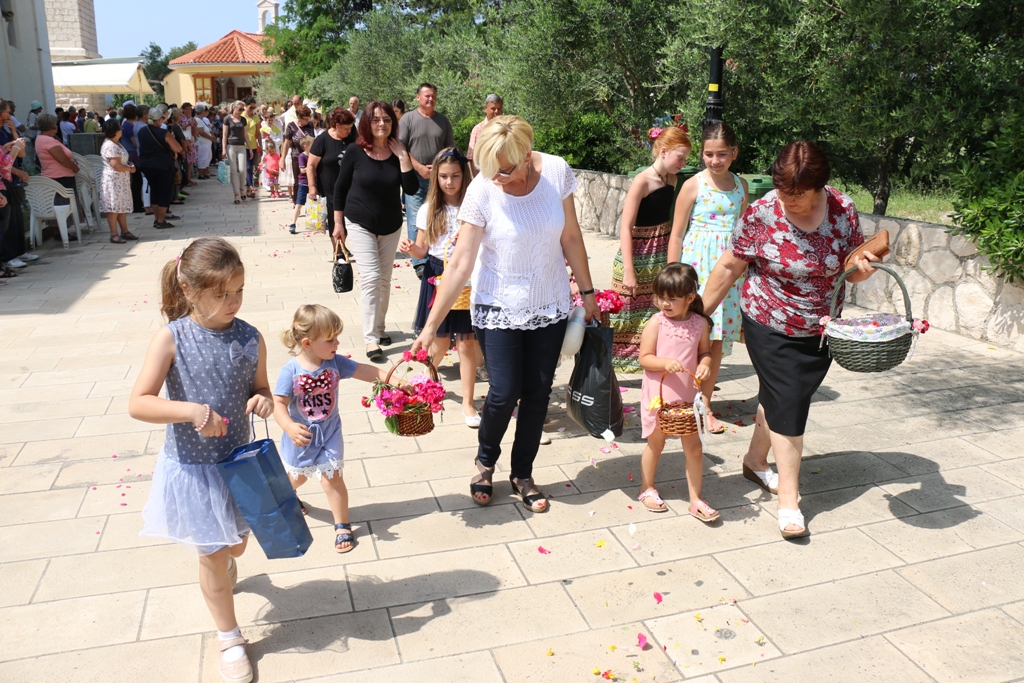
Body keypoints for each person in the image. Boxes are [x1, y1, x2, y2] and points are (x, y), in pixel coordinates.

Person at [410, 115, 601, 511]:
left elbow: (570, 235)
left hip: (548, 301)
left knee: (537, 393)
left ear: (527, 155)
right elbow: (460, 264)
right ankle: (484, 463)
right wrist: (430, 328)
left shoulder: (556, 172)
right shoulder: (482, 189)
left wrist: (587, 292)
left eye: (505, 169)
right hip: (497, 303)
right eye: (488, 168)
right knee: (503, 391)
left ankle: (523, 473)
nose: (495, 177)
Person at [701, 140, 880, 539]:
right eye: (783, 191)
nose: (787, 200)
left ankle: (753, 460)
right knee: (790, 403)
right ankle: (789, 501)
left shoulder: (842, 209)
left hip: (821, 328)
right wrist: (697, 316)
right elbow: (731, 265)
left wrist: (860, 274)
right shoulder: (763, 212)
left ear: (820, 186)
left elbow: (850, 266)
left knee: (783, 398)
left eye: (797, 195)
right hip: (769, 321)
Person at [129, 237, 273, 683]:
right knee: (211, 553)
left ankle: (228, 562)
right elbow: (139, 402)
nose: (233, 302)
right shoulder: (171, 337)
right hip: (193, 468)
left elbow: (262, 388)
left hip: (238, 465)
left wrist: (264, 402)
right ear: (190, 291)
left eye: (240, 291)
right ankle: (229, 637)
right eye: (221, 293)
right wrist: (191, 411)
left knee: (235, 546)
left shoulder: (251, 337)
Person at [274, 304, 389, 553]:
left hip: (329, 433)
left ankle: (342, 525)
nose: (337, 343)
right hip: (302, 437)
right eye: (330, 339)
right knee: (297, 478)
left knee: (333, 480)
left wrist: (392, 379)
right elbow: (278, 403)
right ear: (307, 343)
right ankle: (285, 495)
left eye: (336, 337)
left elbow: (364, 370)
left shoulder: (335, 363)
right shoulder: (290, 371)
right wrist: (289, 426)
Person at [667, 122, 748, 434]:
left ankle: (706, 404)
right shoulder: (693, 185)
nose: (715, 160)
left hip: (729, 274)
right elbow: (676, 234)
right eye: (709, 154)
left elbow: (745, 232)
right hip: (697, 270)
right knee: (692, 336)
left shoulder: (740, 186)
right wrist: (674, 276)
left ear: (734, 153)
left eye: (722, 154)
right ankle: (679, 400)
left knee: (716, 341)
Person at [399, 147, 483, 426]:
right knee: (438, 340)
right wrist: (412, 248)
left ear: (464, 176)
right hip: (437, 273)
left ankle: (468, 404)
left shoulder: (475, 205)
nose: (449, 182)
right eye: (444, 176)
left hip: (468, 276)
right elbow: (423, 249)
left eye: (455, 176)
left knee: (467, 344)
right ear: (436, 178)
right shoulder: (428, 209)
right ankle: (424, 385)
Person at [332, 101, 419, 362]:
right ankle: (371, 338)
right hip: (359, 222)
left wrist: (403, 157)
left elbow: (412, 189)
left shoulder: (398, 151)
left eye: (387, 120)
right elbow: (340, 188)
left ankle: (379, 329)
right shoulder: (355, 152)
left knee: (383, 280)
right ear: (367, 123)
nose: (382, 124)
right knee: (370, 277)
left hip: (391, 225)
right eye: (376, 120)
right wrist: (337, 224)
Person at [609, 126, 692, 373]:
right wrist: (629, 271)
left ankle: (650, 365)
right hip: (636, 253)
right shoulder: (642, 180)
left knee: (652, 314)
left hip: (660, 253)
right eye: (681, 157)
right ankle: (607, 368)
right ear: (664, 151)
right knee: (624, 314)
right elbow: (625, 227)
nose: (683, 163)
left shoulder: (674, 180)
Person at [637, 263, 716, 518]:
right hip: (659, 397)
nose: (664, 304)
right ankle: (647, 487)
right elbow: (644, 358)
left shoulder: (700, 324)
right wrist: (664, 363)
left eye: (672, 299)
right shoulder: (656, 323)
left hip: (687, 399)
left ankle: (696, 499)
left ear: (690, 298)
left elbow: (705, 352)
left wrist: (705, 364)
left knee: (694, 448)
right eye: (661, 297)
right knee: (655, 444)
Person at [398, 83, 454, 278]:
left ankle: (436, 253)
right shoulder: (408, 119)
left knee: (438, 215)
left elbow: (449, 150)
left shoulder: (443, 121)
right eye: (427, 96)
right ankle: (419, 262)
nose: (430, 99)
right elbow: (401, 147)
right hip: (414, 176)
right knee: (415, 217)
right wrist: (419, 167)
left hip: (438, 177)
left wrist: (439, 170)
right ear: (418, 97)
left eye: (433, 96)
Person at [306, 107, 355, 244]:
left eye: (351, 128)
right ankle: (339, 252)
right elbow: (311, 165)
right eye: (346, 128)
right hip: (331, 189)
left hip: (351, 188)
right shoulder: (322, 140)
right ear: (337, 125)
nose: (349, 131)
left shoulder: (351, 139)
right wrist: (312, 186)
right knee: (336, 221)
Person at [137, 105, 182, 229]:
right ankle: (161, 220)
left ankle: (156, 219)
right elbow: (177, 148)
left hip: (146, 165)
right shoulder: (164, 133)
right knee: (163, 192)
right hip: (162, 165)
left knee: (154, 191)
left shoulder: (142, 131)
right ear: (158, 119)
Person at [99, 119, 138, 243]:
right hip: (113, 180)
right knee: (113, 207)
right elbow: (115, 164)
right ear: (117, 131)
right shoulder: (110, 145)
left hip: (120, 180)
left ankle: (124, 231)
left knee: (121, 206)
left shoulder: (116, 143)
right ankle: (114, 234)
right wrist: (130, 169)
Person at [33, 113, 79, 205]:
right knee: (66, 208)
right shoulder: (47, 140)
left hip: (56, 177)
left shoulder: (42, 138)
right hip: (60, 178)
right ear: (51, 126)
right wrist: (75, 167)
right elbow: (62, 159)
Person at [282, 105, 315, 204]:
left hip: (310, 156)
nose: (307, 120)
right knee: (298, 181)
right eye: (305, 119)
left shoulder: (310, 125)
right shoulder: (291, 126)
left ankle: (311, 201)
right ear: (299, 117)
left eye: (308, 118)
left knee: (311, 179)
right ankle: (297, 202)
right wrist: (282, 159)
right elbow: (287, 143)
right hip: (297, 157)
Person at [467, 94, 503, 172]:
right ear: (485, 109)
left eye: (499, 108)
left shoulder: (507, 128)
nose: (497, 112)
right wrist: (477, 180)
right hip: (484, 174)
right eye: (493, 108)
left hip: (504, 175)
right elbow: (472, 158)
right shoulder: (478, 130)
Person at [221, 101, 248, 204]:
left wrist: (250, 148)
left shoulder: (243, 119)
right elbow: (224, 135)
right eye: (240, 109)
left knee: (242, 169)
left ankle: (242, 188)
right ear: (234, 108)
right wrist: (223, 149)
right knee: (233, 170)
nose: (242, 111)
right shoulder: (227, 119)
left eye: (243, 109)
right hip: (230, 145)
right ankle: (236, 194)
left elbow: (245, 135)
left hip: (241, 145)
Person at [287, 136, 314, 234]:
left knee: (315, 203)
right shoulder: (302, 156)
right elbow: (302, 170)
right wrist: (312, 168)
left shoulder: (314, 155)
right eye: (313, 144)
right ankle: (293, 223)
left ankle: (318, 222)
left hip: (313, 182)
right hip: (304, 183)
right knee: (298, 204)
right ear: (306, 146)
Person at [243, 98, 260, 198]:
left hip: (252, 145)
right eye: (251, 107)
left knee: (250, 167)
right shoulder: (240, 116)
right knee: (247, 167)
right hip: (242, 144)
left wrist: (260, 145)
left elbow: (258, 132)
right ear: (245, 105)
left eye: (254, 107)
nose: (252, 109)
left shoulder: (256, 118)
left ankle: (249, 188)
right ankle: (249, 187)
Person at [194, 103, 215, 179]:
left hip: (207, 142)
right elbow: (201, 132)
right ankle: (201, 173)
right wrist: (210, 137)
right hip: (202, 142)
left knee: (207, 157)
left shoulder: (201, 119)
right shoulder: (197, 120)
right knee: (202, 157)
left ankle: (205, 172)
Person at [180, 102, 199, 187]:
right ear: (183, 110)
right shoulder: (181, 118)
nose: (188, 111)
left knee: (190, 162)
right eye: (186, 109)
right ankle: (185, 180)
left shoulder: (192, 118)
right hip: (184, 142)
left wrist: (194, 125)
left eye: (189, 109)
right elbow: (179, 129)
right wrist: (189, 124)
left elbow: (194, 133)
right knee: (185, 162)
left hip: (191, 141)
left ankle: (189, 179)